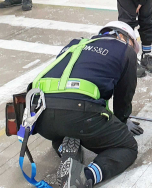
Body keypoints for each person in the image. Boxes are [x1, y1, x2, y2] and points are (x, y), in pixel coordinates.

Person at [30, 21, 142, 188]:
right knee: (127, 147)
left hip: (41, 117)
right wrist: (122, 120)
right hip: (79, 114)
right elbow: (124, 94)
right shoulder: (125, 50)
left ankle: (66, 151)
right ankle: (84, 177)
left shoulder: (75, 44)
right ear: (124, 37)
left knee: (63, 128)